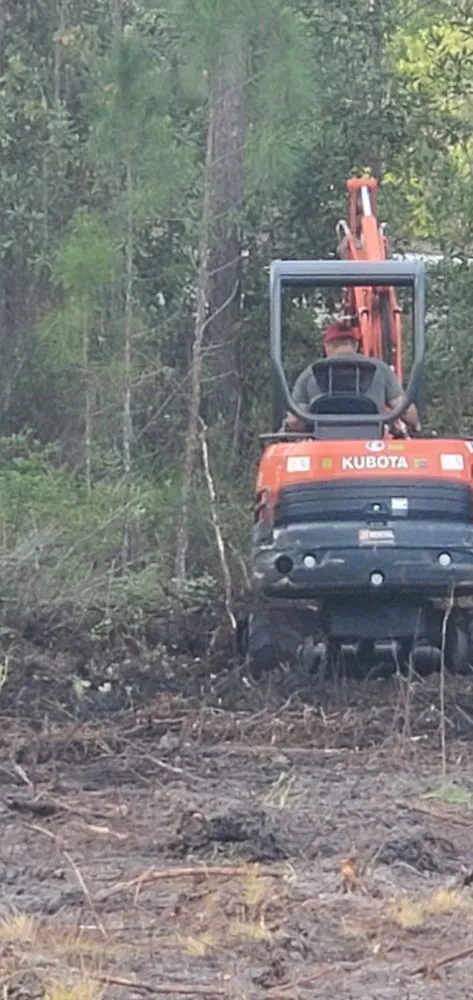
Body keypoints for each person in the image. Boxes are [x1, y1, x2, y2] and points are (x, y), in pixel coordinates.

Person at [285, 320, 420, 432]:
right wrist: (415, 424)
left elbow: (294, 420)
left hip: (323, 446)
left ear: (327, 346)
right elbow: (406, 411)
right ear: (355, 344)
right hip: (370, 445)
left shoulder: (310, 373)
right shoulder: (380, 369)